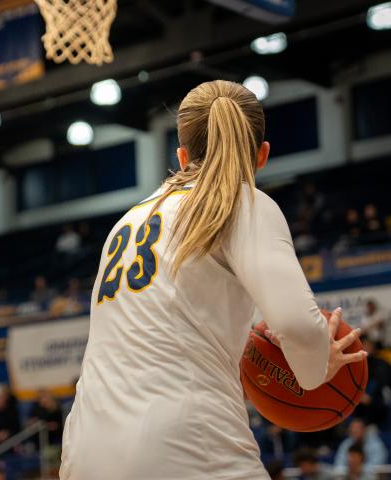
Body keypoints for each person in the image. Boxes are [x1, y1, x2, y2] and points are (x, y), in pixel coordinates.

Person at [60, 80, 367, 480]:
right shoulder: (243, 202)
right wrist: (314, 370)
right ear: (262, 155)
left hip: (85, 448)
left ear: (182, 155)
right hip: (186, 444)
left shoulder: (127, 221)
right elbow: (298, 326)